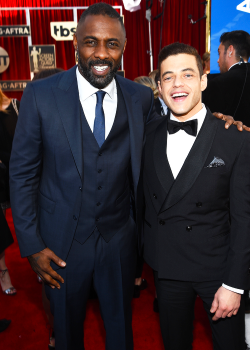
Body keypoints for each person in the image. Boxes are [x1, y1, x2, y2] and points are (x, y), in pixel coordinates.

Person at [9, 3, 155, 350]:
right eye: (91, 42)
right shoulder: (41, 95)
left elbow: (162, 150)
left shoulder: (141, 97)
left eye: (112, 44)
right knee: (66, 333)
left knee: (121, 332)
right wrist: (31, 244)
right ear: (75, 44)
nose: (101, 53)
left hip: (119, 240)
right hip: (61, 245)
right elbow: (22, 173)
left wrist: (220, 122)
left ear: (123, 48)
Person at [142, 42, 250, 350]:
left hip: (218, 270)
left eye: (187, 75)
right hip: (167, 268)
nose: (178, 84)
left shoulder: (236, 138)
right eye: (168, 77)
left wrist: (234, 284)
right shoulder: (147, 135)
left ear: (203, 80)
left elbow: (244, 219)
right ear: (159, 86)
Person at [203, 30, 250, 126]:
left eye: (219, 53)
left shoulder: (218, 83)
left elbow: (210, 127)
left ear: (230, 51)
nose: (217, 60)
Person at [0, 88, 18, 295]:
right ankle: (3, 273)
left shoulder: (14, 106)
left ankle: (40, 261)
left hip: (20, 172)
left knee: (34, 218)